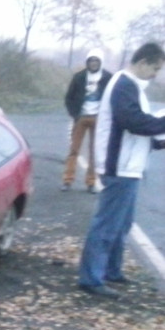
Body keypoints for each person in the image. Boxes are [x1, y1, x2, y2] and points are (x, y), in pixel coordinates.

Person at [78, 42, 165, 298]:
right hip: (119, 167)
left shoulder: (132, 86)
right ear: (143, 62)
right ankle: (91, 278)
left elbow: (141, 128)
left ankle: (111, 270)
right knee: (107, 224)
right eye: (155, 68)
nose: (155, 74)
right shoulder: (124, 85)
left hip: (130, 167)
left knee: (121, 224)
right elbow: (134, 122)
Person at [62, 49, 112, 192]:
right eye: (91, 61)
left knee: (94, 151)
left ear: (100, 62)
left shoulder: (108, 78)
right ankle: (67, 180)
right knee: (74, 149)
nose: (94, 63)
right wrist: (75, 114)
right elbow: (69, 98)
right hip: (81, 117)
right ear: (87, 62)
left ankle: (91, 182)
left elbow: (113, 98)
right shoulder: (79, 77)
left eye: (96, 61)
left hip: (99, 119)